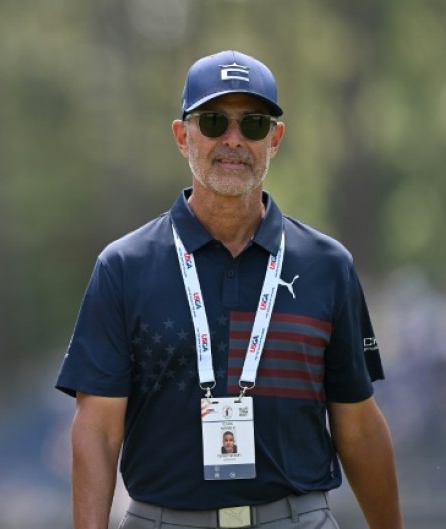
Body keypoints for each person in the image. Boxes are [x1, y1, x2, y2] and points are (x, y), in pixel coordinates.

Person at [55, 50, 403, 529]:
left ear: (275, 139)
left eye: (254, 125)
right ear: (183, 136)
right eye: (215, 122)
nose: (234, 141)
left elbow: (359, 427)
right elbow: (97, 431)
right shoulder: (124, 266)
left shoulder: (327, 265)